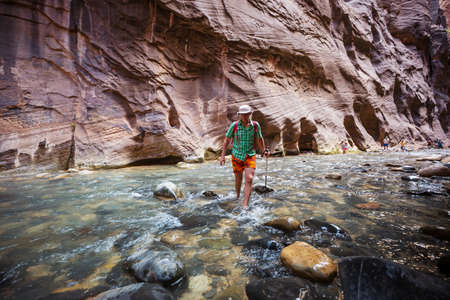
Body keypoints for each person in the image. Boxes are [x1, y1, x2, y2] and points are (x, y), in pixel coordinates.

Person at [219, 105, 270, 209]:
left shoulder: (255, 125)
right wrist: (222, 156)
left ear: (250, 114)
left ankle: (245, 205)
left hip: (250, 155)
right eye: (243, 114)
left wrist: (264, 150)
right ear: (240, 115)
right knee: (238, 179)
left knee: (249, 179)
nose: (245, 116)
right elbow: (226, 140)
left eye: (246, 114)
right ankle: (237, 196)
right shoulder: (235, 125)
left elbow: (260, 139)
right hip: (236, 155)